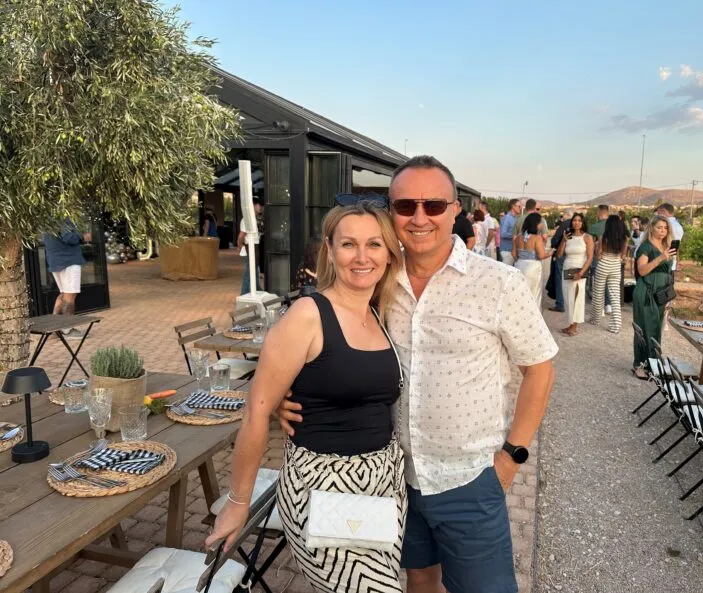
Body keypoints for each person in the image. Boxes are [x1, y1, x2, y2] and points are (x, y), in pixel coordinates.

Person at [278, 155, 558, 593]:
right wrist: (286, 396)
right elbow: (328, 348)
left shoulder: (499, 283)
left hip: (469, 478)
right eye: (406, 206)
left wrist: (511, 458)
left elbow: (539, 369)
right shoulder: (377, 281)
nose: (420, 217)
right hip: (395, 476)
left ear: (455, 210)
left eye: (434, 205)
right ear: (392, 212)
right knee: (420, 579)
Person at [207, 201, 407, 591]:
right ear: (329, 250)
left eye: (374, 244)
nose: (362, 256)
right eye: (348, 244)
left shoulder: (379, 313)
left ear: (388, 254)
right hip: (321, 488)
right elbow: (256, 411)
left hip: (384, 487)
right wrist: (237, 503)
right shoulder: (308, 314)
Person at [632, 216, 676, 379]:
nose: (663, 230)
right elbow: (642, 270)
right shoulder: (645, 247)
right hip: (646, 291)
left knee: (656, 328)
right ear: (651, 228)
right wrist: (661, 258)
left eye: (665, 227)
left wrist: (669, 295)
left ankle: (654, 363)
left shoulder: (666, 246)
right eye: (659, 227)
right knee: (644, 328)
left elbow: (669, 271)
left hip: (661, 294)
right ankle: (639, 365)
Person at [43, 219, 88, 340]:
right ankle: (67, 330)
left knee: (64, 294)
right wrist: (82, 236)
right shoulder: (63, 217)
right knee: (70, 296)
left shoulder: (48, 218)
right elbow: (69, 238)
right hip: (68, 260)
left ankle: (55, 329)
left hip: (56, 260)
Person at [555, 213, 594, 337]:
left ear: (582, 222)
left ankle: (574, 327)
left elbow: (590, 258)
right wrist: (563, 240)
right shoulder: (568, 236)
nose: (576, 222)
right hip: (567, 268)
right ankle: (570, 324)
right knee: (568, 298)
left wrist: (581, 273)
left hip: (579, 270)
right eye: (574, 220)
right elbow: (559, 255)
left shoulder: (587, 237)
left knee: (577, 298)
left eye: (579, 220)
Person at [590, 215, 628, 333]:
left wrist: (598, 251)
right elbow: (623, 256)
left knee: (598, 294)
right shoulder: (624, 239)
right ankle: (616, 326)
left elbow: (599, 255)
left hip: (603, 265)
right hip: (615, 266)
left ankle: (595, 319)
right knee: (615, 297)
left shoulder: (604, 237)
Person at [512, 212, 553, 306]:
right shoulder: (537, 238)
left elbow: (513, 253)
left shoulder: (518, 237)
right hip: (533, 267)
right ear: (536, 224)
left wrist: (520, 260)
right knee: (534, 293)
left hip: (519, 265)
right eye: (540, 222)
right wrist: (550, 253)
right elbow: (541, 255)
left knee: (521, 293)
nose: (542, 224)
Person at [588, 204, 611, 313]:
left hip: (598, 259)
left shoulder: (594, 227)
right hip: (613, 259)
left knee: (599, 282)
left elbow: (589, 244)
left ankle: (600, 307)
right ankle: (609, 304)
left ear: (599, 212)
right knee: (610, 282)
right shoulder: (615, 226)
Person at [548, 209, 573, 313]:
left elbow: (555, 240)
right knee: (571, 278)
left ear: (567, 215)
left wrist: (553, 244)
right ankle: (570, 303)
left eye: (563, 216)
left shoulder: (565, 224)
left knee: (560, 278)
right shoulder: (579, 225)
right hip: (573, 255)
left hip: (562, 253)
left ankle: (560, 303)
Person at [238, 198, 263, 295]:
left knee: (255, 270)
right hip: (249, 246)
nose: (260, 207)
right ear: (253, 205)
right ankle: (244, 293)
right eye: (259, 205)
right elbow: (242, 235)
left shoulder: (255, 218)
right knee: (249, 272)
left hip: (254, 246)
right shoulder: (247, 219)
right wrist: (240, 245)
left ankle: (257, 290)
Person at [655, 203, 683, 272]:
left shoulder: (666, 225)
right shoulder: (678, 226)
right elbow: (676, 246)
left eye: (658, 213)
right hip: (671, 262)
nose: (658, 216)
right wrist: (677, 261)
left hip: (661, 262)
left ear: (664, 212)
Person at [499, 199, 522, 266]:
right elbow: (503, 234)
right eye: (519, 206)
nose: (520, 208)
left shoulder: (515, 218)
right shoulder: (507, 218)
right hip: (507, 251)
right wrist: (516, 235)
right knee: (506, 272)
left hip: (513, 251)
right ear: (513, 206)